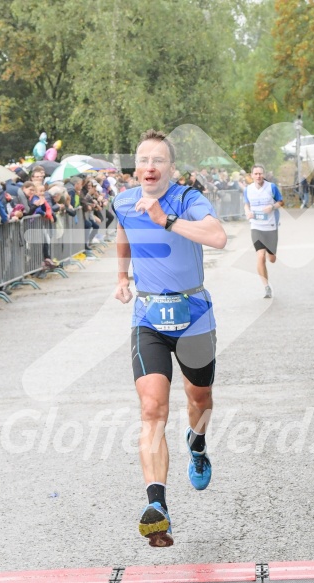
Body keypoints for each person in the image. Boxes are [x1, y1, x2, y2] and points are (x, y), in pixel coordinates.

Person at [113, 129, 227, 548]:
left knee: (199, 399)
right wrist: (122, 276)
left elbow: (218, 237)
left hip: (194, 314)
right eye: (143, 159)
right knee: (151, 408)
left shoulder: (187, 200)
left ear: (171, 170)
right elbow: (123, 232)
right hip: (148, 317)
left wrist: (168, 220)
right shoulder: (123, 201)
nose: (149, 166)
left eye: (158, 160)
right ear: (136, 167)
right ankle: (157, 507)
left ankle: (197, 445)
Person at [244, 164, 283, 299]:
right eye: (256, 174)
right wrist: (248, 212)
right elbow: (246, 203)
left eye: (260, 173)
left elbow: (281, 202)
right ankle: (266, 287)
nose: (258, 176)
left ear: (263, 175)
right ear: (252, 175)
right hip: (256, 227)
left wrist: (272, 207)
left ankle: (269, 252)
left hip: (271, 226)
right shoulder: (248, 189)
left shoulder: (271, 187)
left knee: (271, 259)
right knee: (260, 256)